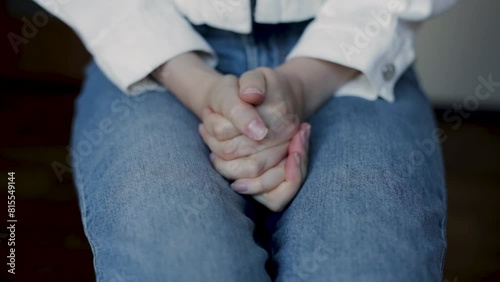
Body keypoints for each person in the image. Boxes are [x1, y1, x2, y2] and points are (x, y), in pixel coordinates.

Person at [37, 0, 455, 281]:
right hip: (153, 44)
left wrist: (305, 84)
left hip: (352, 50)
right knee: (175, 261)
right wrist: (199, 87)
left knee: (364, 260)